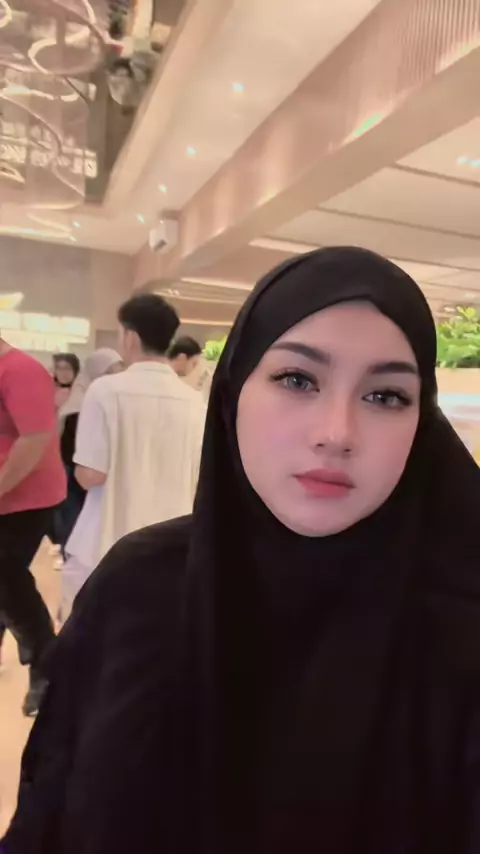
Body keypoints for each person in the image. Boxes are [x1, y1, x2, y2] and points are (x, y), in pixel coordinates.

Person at [4, 247, 480, 853]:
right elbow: (47, 810)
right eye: (297, 379)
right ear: (232, 393)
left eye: (386, 396)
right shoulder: (137, 589)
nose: (337, 433)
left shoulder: (458, 634)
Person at [58, 294, 205, 621]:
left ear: (130, 337)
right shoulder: (194, 401)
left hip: (107, 541)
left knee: (92, 634)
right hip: (169, 545)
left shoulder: (105, 391)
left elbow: (90, 475)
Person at [0, 340, 66, 717]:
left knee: (7, 580)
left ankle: (47, 662)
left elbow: (35, 439)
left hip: (25, 498)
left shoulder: (21, 370)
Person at [54, 349, 123, 561]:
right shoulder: (80, 404)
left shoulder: (110, 400)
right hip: (77, 474)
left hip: (98, 476)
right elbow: (70, 446)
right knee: (75, 526)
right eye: (110, 372)